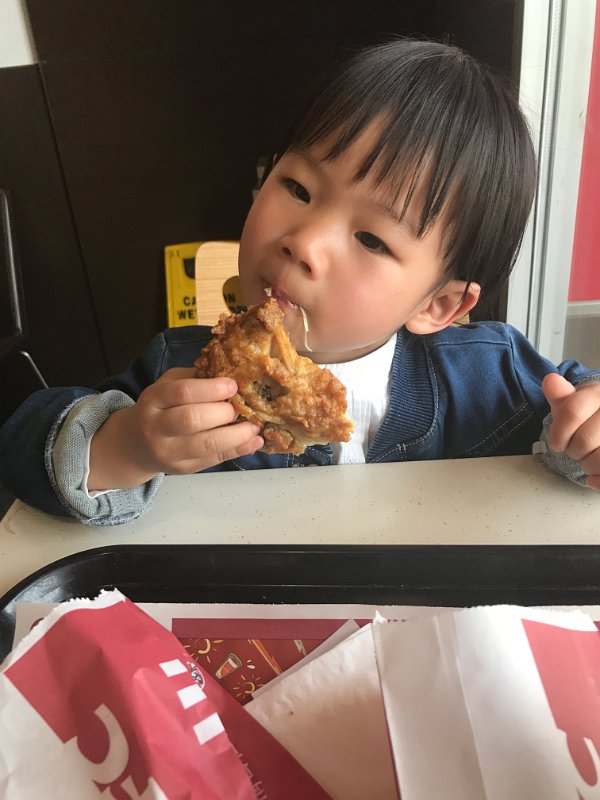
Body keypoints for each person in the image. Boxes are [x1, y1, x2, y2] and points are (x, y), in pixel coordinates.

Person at [1, 38, 599, 526]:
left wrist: (585, 435)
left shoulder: (490, 372)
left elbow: (575, 420)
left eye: (371, 239)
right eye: (298, 188)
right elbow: (23, 449)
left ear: (439, 304)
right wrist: (128, 446)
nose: (304, 242)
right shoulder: (181, 370)